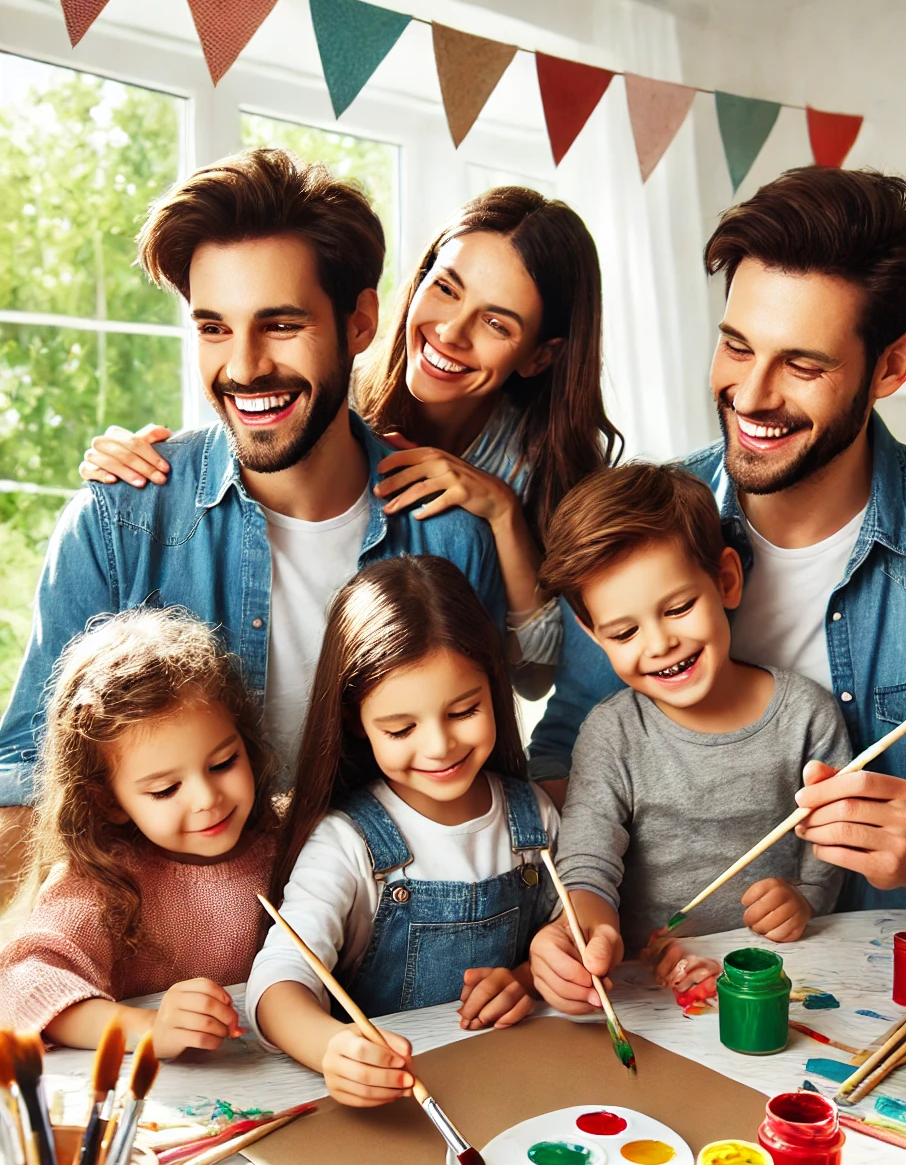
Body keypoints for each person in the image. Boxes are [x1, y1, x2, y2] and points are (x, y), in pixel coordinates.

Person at [0, 149, 505, 900]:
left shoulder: (450, 536)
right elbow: (26, 784)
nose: (244, 367)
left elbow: (482, 789)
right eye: (213, 328)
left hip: (385, 959)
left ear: (359, 322)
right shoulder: (117, 522)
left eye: (280, 324)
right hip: (166, 973)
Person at [537, 167, 906, 910]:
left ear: (891, 365)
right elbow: (566, 771)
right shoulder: (637, 531)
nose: (753, 395)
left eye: (802, 365)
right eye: (736, 346)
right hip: (673, 987)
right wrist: (560, 921)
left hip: (896, 992)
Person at [78, 185, 625, 792]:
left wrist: (501, 513)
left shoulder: (537, 483)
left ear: (539, 356)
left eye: (496, 321)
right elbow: (249, 415)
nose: (450, 331)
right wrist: (138, 468)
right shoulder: (333, 395)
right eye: (445, 288)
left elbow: (535, 673)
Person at [528, 462, 849, 1014]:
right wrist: (582, 931)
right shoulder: (611, 732)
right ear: (590, 631)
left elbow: (830, 845)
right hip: (648, 992)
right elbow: (588, 860)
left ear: (725, 580)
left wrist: (805, 900)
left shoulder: (807, 715)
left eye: (678, 608)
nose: (659, 644)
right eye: (624, 632)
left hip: (775, 982)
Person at [248, 555, 559, 1107]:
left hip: (517, 1090)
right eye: (401, 728)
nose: (439, 747)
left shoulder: (534, 818)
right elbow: (277, 984)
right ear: (356, 722)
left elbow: (574, 934)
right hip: (394, 1110)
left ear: (494, 687)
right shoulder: (348, 843)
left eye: (464, 711)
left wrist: (530, 979)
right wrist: (331, 1048)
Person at [0, 609, 277, 1057]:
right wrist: (149, 1028)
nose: (207, 798)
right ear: (108, 801)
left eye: (223, 763)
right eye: (166, 789)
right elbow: (21, 985)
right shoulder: (102, 880)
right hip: (158, 1106)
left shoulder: (288, 842)